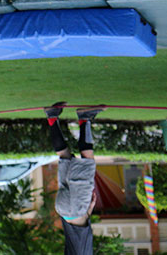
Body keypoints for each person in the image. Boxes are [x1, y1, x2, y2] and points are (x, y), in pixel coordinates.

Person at [44, 102, 106, 255]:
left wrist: (86, 209)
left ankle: (84, 118)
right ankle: (52, 116)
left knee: (87, 162)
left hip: (77, 209)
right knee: (65, 157)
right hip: (64, 211)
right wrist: (89, 210)